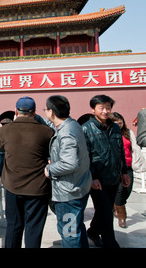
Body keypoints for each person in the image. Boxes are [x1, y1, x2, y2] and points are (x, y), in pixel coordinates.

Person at [0, 96, 54, 248]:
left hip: (12, 186)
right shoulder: (46, 132)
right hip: (38, 188)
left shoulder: (6, 130)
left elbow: (1, 146)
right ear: (34, 112)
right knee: (33, 229)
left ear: (16, 111)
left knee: (13, 226)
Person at [82, 95, 130, 248]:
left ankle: (93, 231)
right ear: (93, 109)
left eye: (108, 108)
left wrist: (124, 172)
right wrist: (93, 177)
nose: (105, 111)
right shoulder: (86, 128)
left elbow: (120, 151)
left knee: (105, 210)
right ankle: (110, 243)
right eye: (101, 108)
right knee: (106, 213)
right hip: (98, 179)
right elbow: (86, 156)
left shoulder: (115, 127)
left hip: (114, 177)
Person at [43, 95, 92, 248]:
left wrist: (50, 169)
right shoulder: (73, 124)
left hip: (68, 192)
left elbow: (70, 163)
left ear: (51, 112)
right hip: (79, 185)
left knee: (69, 233)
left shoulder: (66, 132)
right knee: (76, 229)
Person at [111, 112, 138, 228]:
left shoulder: (128, 133)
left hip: (128, 165)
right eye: (116, 123)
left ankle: (116, 205)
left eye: (121, 123)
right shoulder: (110, 133)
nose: (119, 125)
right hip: (116, 166)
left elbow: (134, 148)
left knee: (128, 190)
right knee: (120, 190)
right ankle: (122, 217)